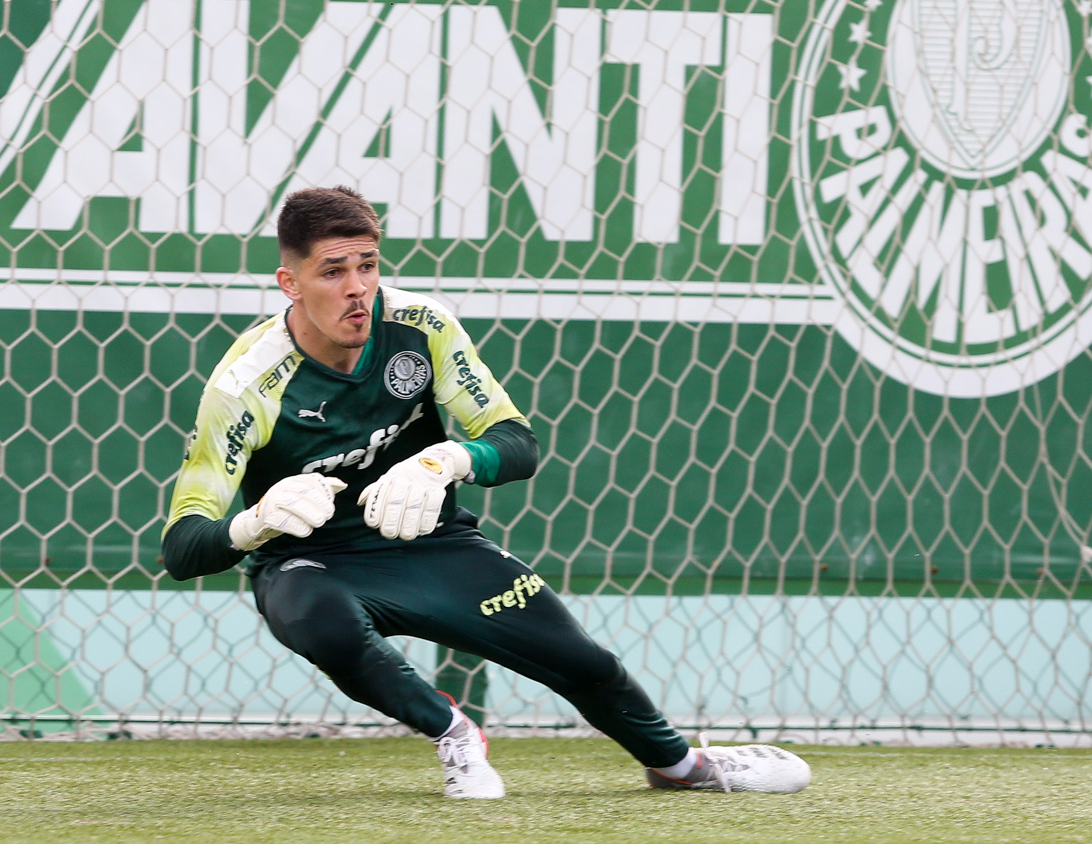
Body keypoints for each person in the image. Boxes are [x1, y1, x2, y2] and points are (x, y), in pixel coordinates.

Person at [160, 186, 811, 798]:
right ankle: (454, 732)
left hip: (432, 546)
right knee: (317, 619)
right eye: (333, 271)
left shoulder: (422, 327)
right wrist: (253, 526)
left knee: (581, 662)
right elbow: (184, 547)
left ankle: (684, 767)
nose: (357, 288)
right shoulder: (244, 384)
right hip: (313, 564)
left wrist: (449, 458)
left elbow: (517, 443)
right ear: (290, 282)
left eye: (368, 265)